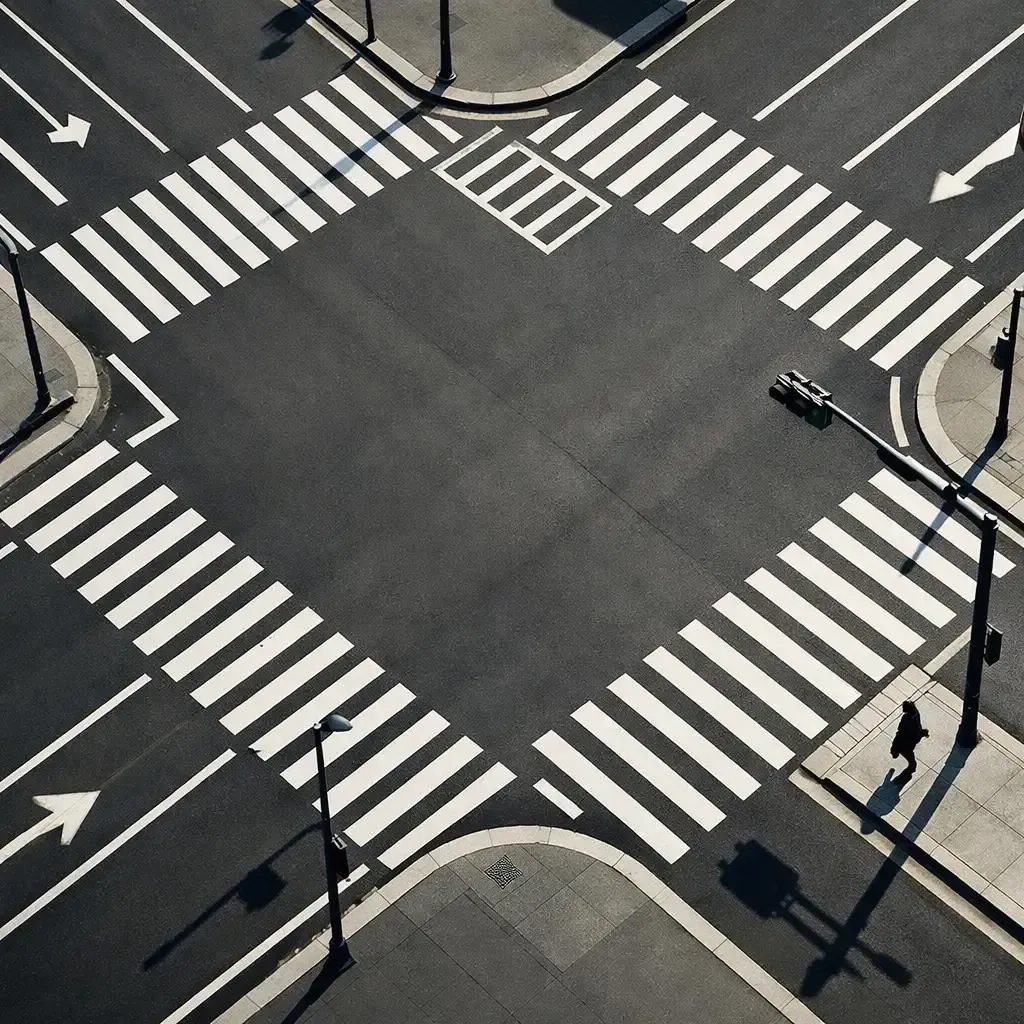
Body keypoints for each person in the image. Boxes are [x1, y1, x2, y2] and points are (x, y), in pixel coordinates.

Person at [890, 700, 929, 776]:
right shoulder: (916, 712)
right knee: (909, 752)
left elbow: (900, 728)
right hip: (915, 737)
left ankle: (912, 766)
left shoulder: (906, 718)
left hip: (908, 739)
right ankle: (912, 765)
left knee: (906, 752)